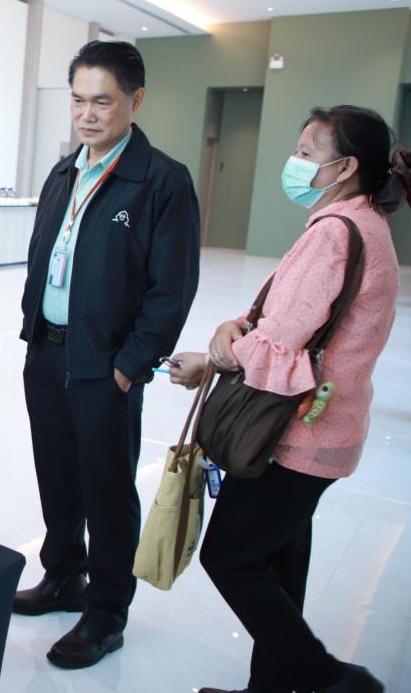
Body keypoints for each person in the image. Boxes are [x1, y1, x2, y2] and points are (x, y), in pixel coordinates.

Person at [169, 106, 407, 693]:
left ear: (345, 167)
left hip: (296, 433)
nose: (294, 162)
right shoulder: (366, 222)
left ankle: (330, 679)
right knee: (280, 560)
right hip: (328, 427)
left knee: (230, 558)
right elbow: (295, 319)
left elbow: (282, 341)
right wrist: (241, 328)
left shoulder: (334, 233)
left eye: (306, 153)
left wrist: (218, 353)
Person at [15, 40, 201, 668]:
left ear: (135, 100)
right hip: (47, 353)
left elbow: (171, 291)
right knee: (56, 477)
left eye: (102, 101)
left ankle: (106, 613)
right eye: (77, 100)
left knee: (107, 490)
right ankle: (64, 574)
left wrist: (129, 367)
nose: (87, 114)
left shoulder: (161, 181)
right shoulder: (64, 172)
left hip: (106, 366)